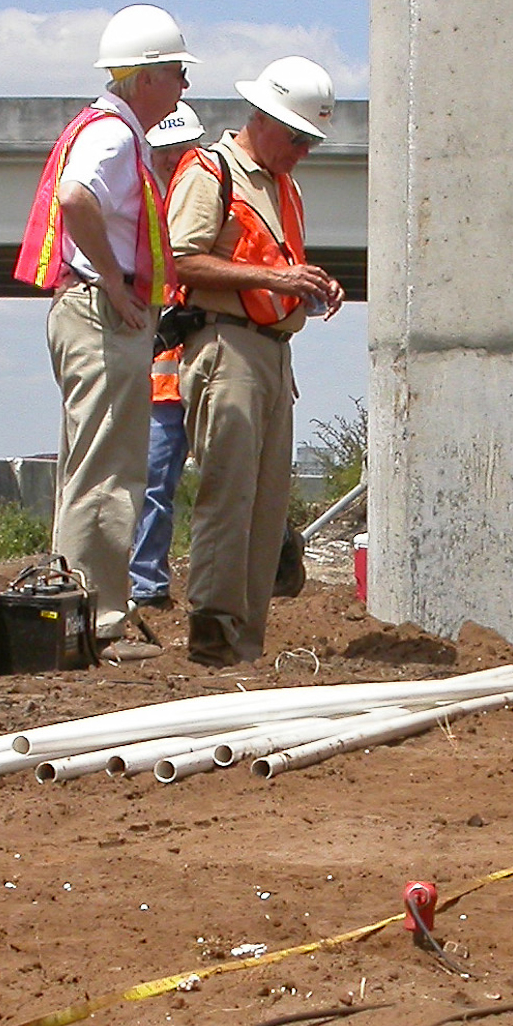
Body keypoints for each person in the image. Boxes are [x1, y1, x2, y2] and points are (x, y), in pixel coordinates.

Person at [16, 4, 194, 660]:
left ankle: (73, 614)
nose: (181, 90)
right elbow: (76, 198)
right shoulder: (116, 137)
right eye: (177, 75)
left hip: (86, 310)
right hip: (98, 312)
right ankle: (98, 620)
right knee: (110, 470)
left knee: (89, 465)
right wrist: (116, 282)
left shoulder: (104, 128)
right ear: (147, 77)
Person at [166, 56, 345, 666]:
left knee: (267, 505)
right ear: (264, 119)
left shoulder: (282, 187)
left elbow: (275, 271)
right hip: (226, 346)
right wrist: (277, 277)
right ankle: (213, 636)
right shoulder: (211, 171)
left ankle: (245, 644)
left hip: (271, 352)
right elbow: (179, 261)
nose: (302, 151)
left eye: (310, 141)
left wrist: (306, 285)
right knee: (230, 491)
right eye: (297, 137)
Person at [129, 102, 208, 611]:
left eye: (185, 151)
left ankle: (221, 585)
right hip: (161, 383)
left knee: (231, 481)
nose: (177, 160)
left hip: (204, 371)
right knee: (154, 484)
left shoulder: (207, 200)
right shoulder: (141, 206)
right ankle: (146, 585)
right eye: (169, 152)